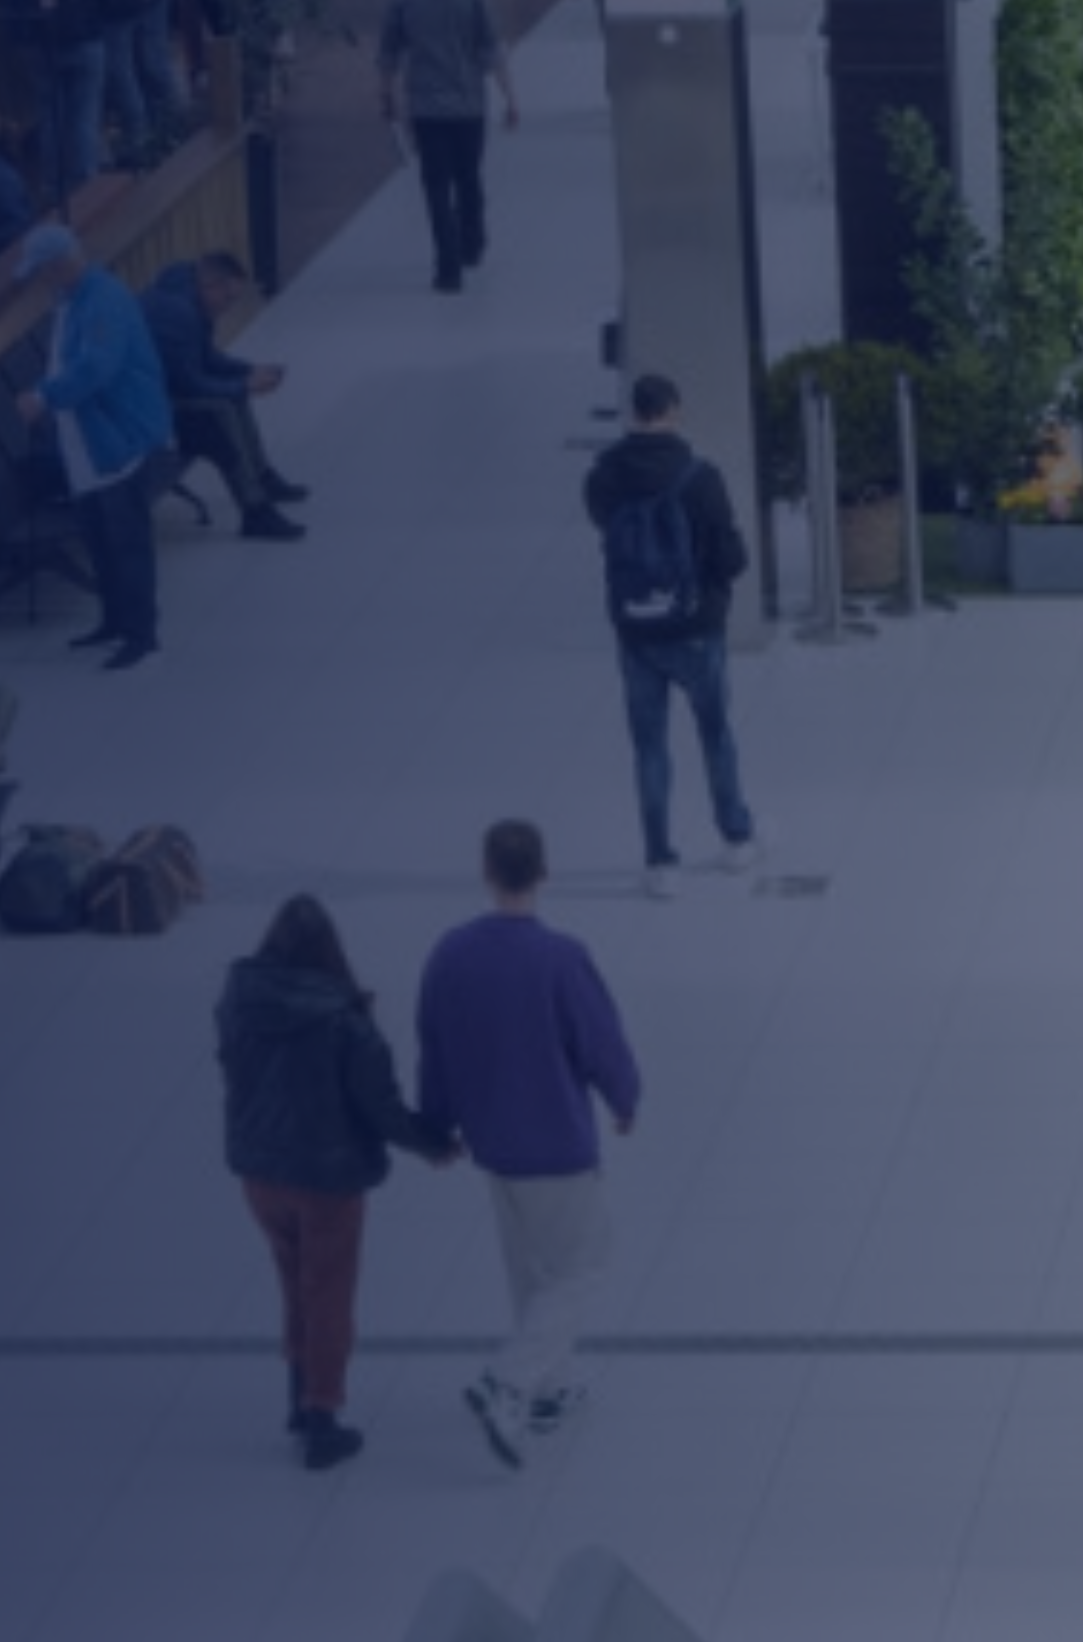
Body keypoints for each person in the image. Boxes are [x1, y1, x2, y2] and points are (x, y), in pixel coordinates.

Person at [425, 820, 644, 1471]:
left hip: (493, 1140)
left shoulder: (451, 955)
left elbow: (434, 1048)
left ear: (488, 872)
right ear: (543, 873)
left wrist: (437, 1126)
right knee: (584, 1265)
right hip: (557, 1140)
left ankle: (549, 1391)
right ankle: (510, 1379)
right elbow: (600, 1042)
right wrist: (624, 1099)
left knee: (529, 1270)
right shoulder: (561, 959)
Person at [225, 895, 458, 1471]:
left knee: (294, 1285)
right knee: (327, 1294)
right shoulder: (344, 1022)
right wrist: (433, 1144)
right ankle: (323, 1418)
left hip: (259, 1173)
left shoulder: (239, 1001)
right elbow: (379, 1106)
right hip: (325, 1180)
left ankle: (298, 1399)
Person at [586, 376, 760, 896]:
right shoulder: (700, 478)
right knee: (715, 732)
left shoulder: (603, 476)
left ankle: (660, 861)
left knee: (649, 746)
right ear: (674, 411)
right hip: (695, 627)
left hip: (635, 627)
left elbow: (608, 533)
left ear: (633, 412)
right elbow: (731, 559)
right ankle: (735, 839)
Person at [25, 228, 175, 669]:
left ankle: (141, 633)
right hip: (88, 442)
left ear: (57, 265)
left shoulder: (101, 301)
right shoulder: (72, 300)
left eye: (39, 271)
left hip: (117, 438)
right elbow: (64, 362)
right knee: (99, 538)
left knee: (126, 540)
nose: (38, 280)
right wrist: (43, 391)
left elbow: (97, 367)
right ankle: (113, 620)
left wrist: (44, 397)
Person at [376, 0, 517, 293]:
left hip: (426, 107)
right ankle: (473, 242)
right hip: (469, 104)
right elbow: (491, 49)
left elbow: (388, 54)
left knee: (436, 185)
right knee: (469, 176)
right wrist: (510, 97)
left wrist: (386, 96)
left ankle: (448, 268)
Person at [149, 259, 311, 540]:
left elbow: (206, 358)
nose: (229, 305)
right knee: (220, 410)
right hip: (152, 409)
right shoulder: (179, 315)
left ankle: (261, 477)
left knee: (233, 394)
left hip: (164, 393)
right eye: (228, 297)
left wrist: (247, 371)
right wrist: (243, 385)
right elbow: (188, 383)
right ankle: (255, 511)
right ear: (211, 286)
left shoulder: (189, 299)